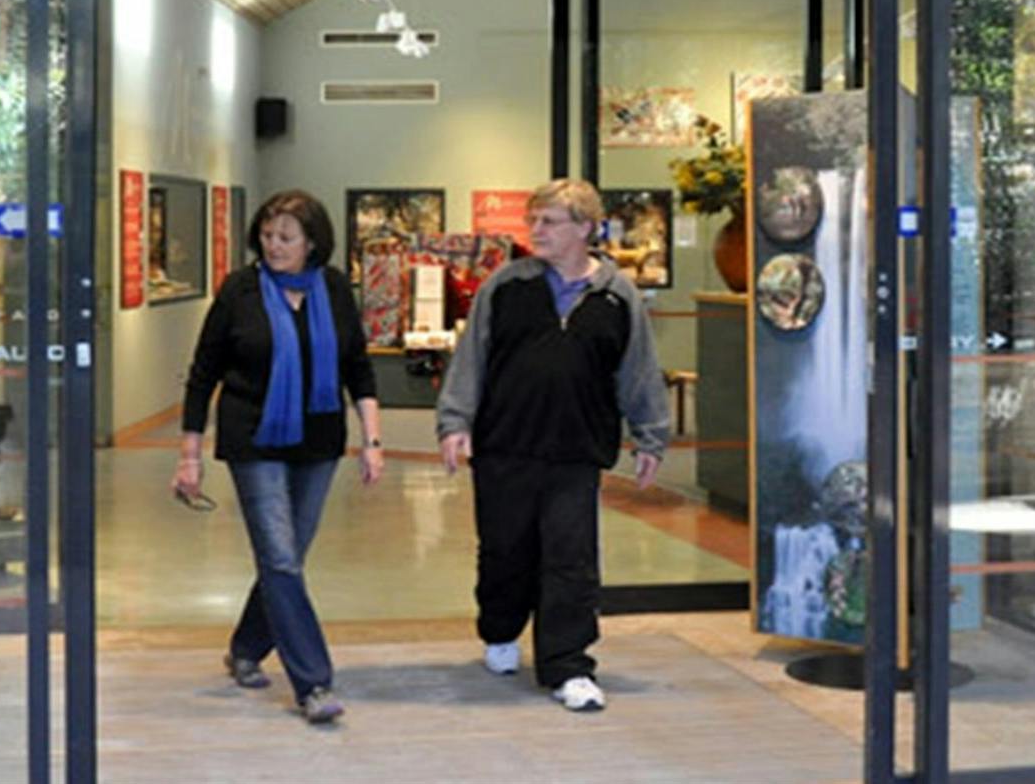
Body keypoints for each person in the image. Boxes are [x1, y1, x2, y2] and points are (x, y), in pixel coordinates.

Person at [436, 178, 670, 713]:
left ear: (586, 228)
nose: (535, 231)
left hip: (576, 450)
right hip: (504, 447)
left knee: (571, 560)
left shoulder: (616, 294)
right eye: (533, 220)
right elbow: (472, 358)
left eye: (549, 222)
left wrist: (650, 436)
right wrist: (455, 422)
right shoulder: (507, 286)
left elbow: (638, 370)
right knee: (505, 552)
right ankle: (500, 630)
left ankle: (568, 664)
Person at [173, 189, 383, 725]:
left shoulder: (333, 288)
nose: (274, 246)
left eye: (286, 237)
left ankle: (245, 648)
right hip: (254, 440)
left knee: (285, 559)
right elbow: (203, 374)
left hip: (318, 442)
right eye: (267, 236)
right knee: (282, 559)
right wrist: (189, 454)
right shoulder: (240, 290)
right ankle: (313, 683)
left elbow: (358, 367)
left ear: (313, 241)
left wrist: (372, 440)